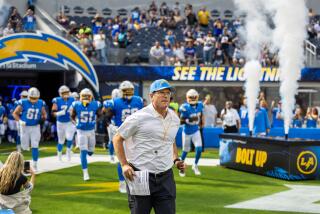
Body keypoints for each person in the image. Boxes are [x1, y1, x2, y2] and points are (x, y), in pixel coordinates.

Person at [113, 79, 186, 214]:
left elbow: (170, 140)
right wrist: (124, 165)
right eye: (161, 92)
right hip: (140, 174)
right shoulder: (139, 117)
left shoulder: (174, 118)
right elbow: (117, 138)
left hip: (165, 177)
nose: (165, 95)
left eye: (168, 93)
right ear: (151, 96)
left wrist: (176, 159)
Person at [102, 81, 143, 193]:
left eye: (130, 90)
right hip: (123, 134)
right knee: (123, 160)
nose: (128, 93)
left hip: (136, 133)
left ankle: (135, 181)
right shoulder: (115, 102)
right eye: (126, 90)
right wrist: (110, 125)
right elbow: (106, 116)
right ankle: (122, 183)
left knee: (138, 159)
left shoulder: (138, 100)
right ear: (121, 91)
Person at [13, 87, 47, 171]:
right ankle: (24, 165)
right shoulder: (23, 102)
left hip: (35, 126)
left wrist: (43, 118)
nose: (33, 100)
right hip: (25, 126)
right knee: (24, 147)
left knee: (35, 145)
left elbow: (44, 114)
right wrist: (20, 121)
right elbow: (15, 113)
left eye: (35, 98)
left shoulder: (40, 103)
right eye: (32, 98)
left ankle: (35, 165)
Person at [71, 88, 101, 181]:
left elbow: (100, 115)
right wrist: (75, 123)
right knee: (83, 151)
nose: (86, 98)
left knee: (91, 152)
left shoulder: (95, 104)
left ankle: (87, 151)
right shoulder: (76, 105)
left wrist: (95, 121)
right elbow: (72, 116)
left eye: (88, 96)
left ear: (91, 97)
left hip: (91, 131)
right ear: (81, 96)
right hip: (81, 131)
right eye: (85, 96)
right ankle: (85, 173)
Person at [179, 89, 204, 176]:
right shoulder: (184, 107)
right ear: (187, 98)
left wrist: (201, 123)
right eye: (191, 97)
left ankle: (195, 165)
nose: (193, 98)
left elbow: (201, 114)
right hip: (187, 132)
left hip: (196, 130)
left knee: (199, 149)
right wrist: (189, 119)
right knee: (185, 151)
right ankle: (181, 168)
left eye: (194, 97)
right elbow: (180, 121)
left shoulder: (200, 105)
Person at [51, 85, 75, 161]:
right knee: (61, 140)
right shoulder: (56, 100)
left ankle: (68, 152)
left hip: (69, 122)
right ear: (60, 93)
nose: (65, 94)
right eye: (63, 93)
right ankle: (59, 155)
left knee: (70, 138)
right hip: (60, 122)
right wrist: (58, 113)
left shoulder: (73, 99)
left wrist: (74, 118)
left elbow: (76, 110)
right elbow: (53, 113)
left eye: (66, 92)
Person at [104, 88, 121, 163]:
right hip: (112, 124)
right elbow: (105, 113)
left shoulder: (121, 102)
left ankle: (118, 156)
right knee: (112, 141)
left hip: (120, 124)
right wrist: (109, 124)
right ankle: (111, 156)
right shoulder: (110, 103)